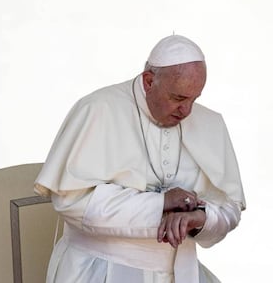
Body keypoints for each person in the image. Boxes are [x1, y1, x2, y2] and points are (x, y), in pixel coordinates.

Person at [34, 35, 246, 283]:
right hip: (100, 269)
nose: (187, 111)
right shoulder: (98, 109)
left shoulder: (209, 122)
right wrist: (161, 204)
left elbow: (229, 208)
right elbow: (71, 199)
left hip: (181, 272)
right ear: (148, 81)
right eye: (178, 98)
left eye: (194, 99)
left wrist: (201, 219)